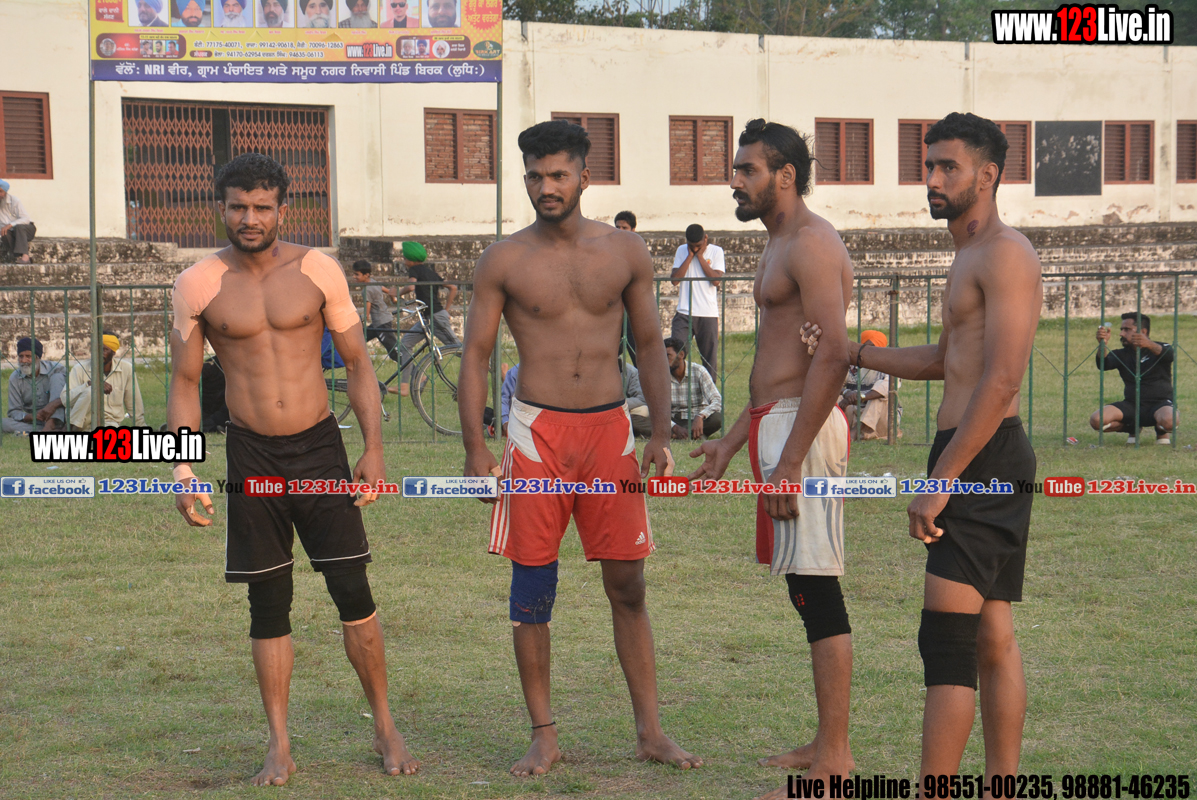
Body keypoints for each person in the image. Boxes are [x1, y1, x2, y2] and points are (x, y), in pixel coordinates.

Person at [166, 152, 418, 786]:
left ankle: (386, 725)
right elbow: (186, 382)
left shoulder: (317, 269)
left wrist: (374, 450)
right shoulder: (197, 283)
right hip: (251, 453)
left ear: (283, 209)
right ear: (220, 209)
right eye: (237, 207)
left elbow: (358, 364)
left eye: (262, 207)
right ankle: (278, 743)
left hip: (319, 449)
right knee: (268, 602)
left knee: (352, 590)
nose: (249, 219)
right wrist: (182, 472)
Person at [459, 119, 699, 778]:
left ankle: (651, 731)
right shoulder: (503, 259)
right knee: (532, 587)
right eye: (535, 176)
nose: (546, 187)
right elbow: (476, 354)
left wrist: (660, 432)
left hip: (609, 434)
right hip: (535, 435)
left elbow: (648, 344)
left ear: (584, 177)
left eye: (558, 175)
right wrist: (475, 447)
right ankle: (544, 735)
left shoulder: (624, 250)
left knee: (628, 585)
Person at [837, 112, 1042, 787]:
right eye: (928, 165)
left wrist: (943, 478)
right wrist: (857, 354)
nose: (931, 178)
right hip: (968, 454)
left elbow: (1001, 379)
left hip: (981, 459)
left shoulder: (1006, 253)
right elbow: (946, 361)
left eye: (947, 166)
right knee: (990, 635)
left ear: (987, 175)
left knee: (946, 642)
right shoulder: (968, 256)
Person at [688, 119, 854, 800]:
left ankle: (835, 759)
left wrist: (789, 460)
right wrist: (731, 442)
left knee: (818, 587)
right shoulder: (778, 241)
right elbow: (780, 357)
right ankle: (824, 741)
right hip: (774, 427)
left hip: (799, 434)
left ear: (785, 174)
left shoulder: (811, 243)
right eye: (735, 169)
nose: (735, 181)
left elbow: (832, 355)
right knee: (801, 586)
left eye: (746, 170)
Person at [1090, 312, 1174, 445]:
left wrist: (1148, 344)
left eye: (1127, 330)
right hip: (1132, 405)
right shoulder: (1121, 354)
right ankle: (1131, 427)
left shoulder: (1161, 348)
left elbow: (1169, 355)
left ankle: (1161, 430)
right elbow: (1103, 365)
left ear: (1143, 332)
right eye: (1121, 329)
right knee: (1097, 420)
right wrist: (1102, 345)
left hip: (1160, 404)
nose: (1121, 334)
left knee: (1170, 421)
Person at [397, 241, 460, 396]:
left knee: (459, 350)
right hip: (427, 319)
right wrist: (446, 309)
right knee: (405, 344)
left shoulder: (415, 270)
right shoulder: (430, 272)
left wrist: (397, 293)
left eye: (405, 258)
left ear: (411, 259)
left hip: (435, 317)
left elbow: (411, 286)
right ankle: (405, 385)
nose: (404, 261)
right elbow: (452, 287)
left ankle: (495, 368)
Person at [670, 223, 725, 381]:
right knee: (675, 355)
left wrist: (700, 257)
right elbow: (675, 280)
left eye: (698, 246)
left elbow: (716, 280)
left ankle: (710, 393)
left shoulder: (716, 251)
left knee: (709, 360)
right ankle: (677, 389)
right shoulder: (682, 250)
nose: (694, 249)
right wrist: (689, 256)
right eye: (691, 245)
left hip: (707, 314)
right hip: (684, 313)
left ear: (705, 238)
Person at [60, 331, 146, 431]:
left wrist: (142, 428)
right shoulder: (79, 369)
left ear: (113, 352)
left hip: (109, 423)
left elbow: (134, 404)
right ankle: (69, 430)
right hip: (82, 423)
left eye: (105, 350)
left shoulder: (126, 369)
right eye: (97, 349)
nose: (100, 353)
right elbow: (65, 400)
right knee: (91, 390)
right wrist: (89, 384)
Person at [839, 329, 901, 441]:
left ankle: (856, 432)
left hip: (880, 419)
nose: (872, 352)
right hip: (854, 413)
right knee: (833, 396)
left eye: (876, 348)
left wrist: (861, 397)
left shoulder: (889, 365)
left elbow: (888, 387)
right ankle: (838, 430)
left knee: (881, 397)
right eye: (869, 347)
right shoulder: (852, 365)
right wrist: (846, 393)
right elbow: (834, 383)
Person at [663, 337, 722, 439]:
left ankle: (680, 435)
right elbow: (657, 409)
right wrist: (675, 427)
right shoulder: (661, 376)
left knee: (717, 418)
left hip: (697, 418)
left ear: (681, 355)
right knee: (645, 420)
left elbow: (717, 400)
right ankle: (693, 435)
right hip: (674, 420)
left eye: (668, 356)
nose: (664, 360)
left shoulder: (698, 371)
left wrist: (700, 416)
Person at [4, 337, 65, 433]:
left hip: (59, 417)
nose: (24, 360)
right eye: (21, 356)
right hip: (35, 421)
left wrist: (52, 406)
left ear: (38, 357)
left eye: (28, 356)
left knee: (57, 377)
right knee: (3, 423)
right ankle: (50, 430)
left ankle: (52, 424)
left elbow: (71, 395)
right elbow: (14, 411)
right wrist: (30, 416)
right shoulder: (15, 378)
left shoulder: (57, 369)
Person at [352, 260, 400, 363]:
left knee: (394, 352)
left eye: (357, 274)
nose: (354, 277)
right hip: (378, 323)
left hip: (381, 324)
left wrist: (357, 319)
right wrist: (394, 298)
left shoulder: (367, 290)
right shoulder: (373, 282)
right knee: (359, 340)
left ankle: (413, 370)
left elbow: (367, 314)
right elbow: (388, 291)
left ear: (366, 275)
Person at [612, 211, 640, 365]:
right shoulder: (607, 249)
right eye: (618, 227)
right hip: (612, 311)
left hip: (632, 310)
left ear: (633, 230)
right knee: (608, 354)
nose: (620, 231)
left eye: (625, 228)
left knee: (638, 354)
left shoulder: (639, 251)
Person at [0, 180, 36, 265]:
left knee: (18, 227)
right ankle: (20, 257)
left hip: (26, 230)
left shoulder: (14, 200)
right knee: (4, 234)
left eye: (0, 191)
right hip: (12, 233)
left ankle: (25, 256)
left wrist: (10, 225)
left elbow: (25, 218)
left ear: (5, 192)